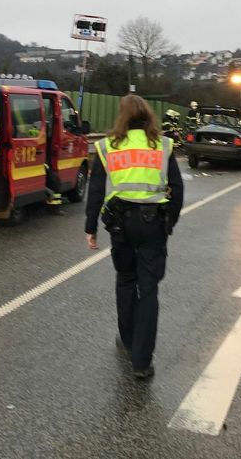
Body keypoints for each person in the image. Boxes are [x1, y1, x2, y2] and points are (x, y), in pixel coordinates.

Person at [84, 94, 184, 379]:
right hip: (153, 224)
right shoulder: (163, 145)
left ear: (122, 116)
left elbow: (95, 191)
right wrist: (169, 223)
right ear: (148, 115)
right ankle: (141, 362)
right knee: (149, 289)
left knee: (126, 280)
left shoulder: (107, 147)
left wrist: (90, 228)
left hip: (120, 224)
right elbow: (176, 189)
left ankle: (127, 339)